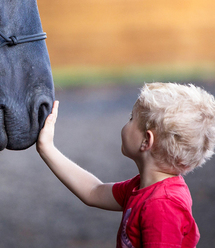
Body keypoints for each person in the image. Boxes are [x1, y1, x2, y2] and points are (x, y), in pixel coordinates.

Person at [36, 82, 215, 248]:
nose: (126, 123)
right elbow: (93, 191)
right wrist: (47, 148)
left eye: (131, 118)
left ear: (146, 140)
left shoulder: (162, 206)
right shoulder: (144, 188)